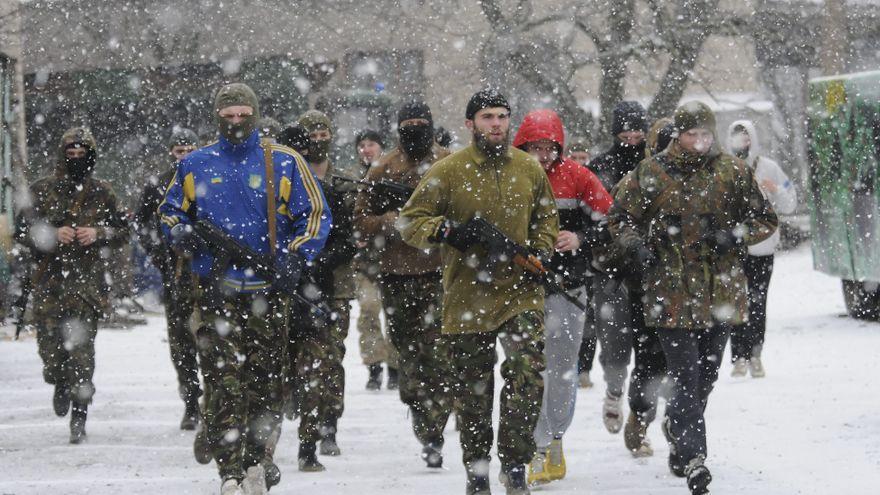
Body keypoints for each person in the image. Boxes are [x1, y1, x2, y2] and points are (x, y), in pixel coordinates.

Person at [159, 83, 330, 495]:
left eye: (242, 114)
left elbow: (315, 215)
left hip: (267, 292)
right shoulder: (196, 164)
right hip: (215, 292)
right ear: (216, 116)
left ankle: (258, 458)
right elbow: (168, 212)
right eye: (228, 115)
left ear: (255, 114)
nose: (235, 122)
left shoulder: (283, 162)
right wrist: (181, 232)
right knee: (221, 382)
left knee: (267, 382)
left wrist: (295, 255)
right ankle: (230, 471)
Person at [608, 101, 777, 494]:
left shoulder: (732, 172)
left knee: (706, 377)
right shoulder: (651, 173)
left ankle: (678, 429)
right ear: (678, 135)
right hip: (670, 291)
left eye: (705, 134)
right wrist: (636, 246)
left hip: (721, 290)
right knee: (685, 376)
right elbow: (619, 216)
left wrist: (732, 234)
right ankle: (694, 458)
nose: (700, 142)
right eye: (691, 135)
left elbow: (765, 219)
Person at [399, 89, 559, 495]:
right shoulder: (449, 170)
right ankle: (477, 468)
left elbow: (545, 217)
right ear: (470, 124)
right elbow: (410, 222)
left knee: (527, 375)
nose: (496, 124)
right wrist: (450, 232)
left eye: (503, 117)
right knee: (473, 391)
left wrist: (540, 250)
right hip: (467, 296)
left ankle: (516, 464)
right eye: (487, 117)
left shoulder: (528, 168)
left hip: (520, 292)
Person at [511, 109, 612, 486]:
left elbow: (611, 221)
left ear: (559, 146)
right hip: (519, 289)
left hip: (567, 289)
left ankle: (553, 439)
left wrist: (581, 239)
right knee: (526, 370)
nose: (541, 156)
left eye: (548, 148)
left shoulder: (579, 177)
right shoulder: (510, 176)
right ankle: (531, 446)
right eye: (533, 147)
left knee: (562, 368)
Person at [353, 101, 453, 468]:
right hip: (395, 275)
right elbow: (359, 220)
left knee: (438, 356)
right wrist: (388, 221)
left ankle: (434, 433)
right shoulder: (382, 168)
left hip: (439, 273)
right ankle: (419, 408)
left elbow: (463, 211)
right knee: (409, 357)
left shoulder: (448, 163)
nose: (415, 129)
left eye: (420, 123)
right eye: (407, 123)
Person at [15, 127, 129, 444]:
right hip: (49, 285)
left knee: (82, 356)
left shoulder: (103, 192)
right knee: (51, 356)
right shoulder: (41, 190)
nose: (76, 159)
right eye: (71, 154)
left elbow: (123, 231)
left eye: (82, 154)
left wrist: (98, 233)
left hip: (86, 288)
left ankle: (79, 416)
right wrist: (51, 235)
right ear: (62, 155)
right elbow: (21, 233)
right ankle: (59, 383)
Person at [296, 109, 356, 459]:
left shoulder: (343, 182)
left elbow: (351, 235)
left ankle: (328, 423)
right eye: (312, 137)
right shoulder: (291, 178)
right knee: (302, 359)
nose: (319, 143)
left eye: (324, 136)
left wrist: (327, 257)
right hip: (297, 283)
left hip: (336, 284)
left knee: (331, 356)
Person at [586, 100, 648, 434]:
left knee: (652, 349)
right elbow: (590, 214)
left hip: (652, 269)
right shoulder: (600, 167)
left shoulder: (655, 166)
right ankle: (613, 390)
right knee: (614, 345)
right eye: (625, 128)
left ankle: (641, 412)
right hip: (610, 270)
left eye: (637, 128)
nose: (632, 134)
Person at [134, 127, 201, 430]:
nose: (184, 156)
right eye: (179, 152)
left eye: (189, 150)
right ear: (171, 154)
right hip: (175, 276)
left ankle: (213, 401)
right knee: (181, 345)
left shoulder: (209, 180)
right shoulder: (159, 185)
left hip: (207, 274)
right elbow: (142, 224)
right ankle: (190, 401)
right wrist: (159, 255)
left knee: (212, 341)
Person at [621, 117, 675, 458]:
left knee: (689, 366)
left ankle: (679, 424)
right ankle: (640, 418)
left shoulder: (705, 178)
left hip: (694, 287)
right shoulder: (639, 179)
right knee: (651, 361)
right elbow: (619, 223)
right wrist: (638, 249)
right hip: (649, 286)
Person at [727, 119, 797, 378]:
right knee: (735, 302)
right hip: (733, 247)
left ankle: (755, 354)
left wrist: (776, 189)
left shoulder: (770, 168)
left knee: (757, 302)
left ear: (753, 139)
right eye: (736, 137)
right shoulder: (724, 167)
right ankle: (738, 358)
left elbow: (790, 201)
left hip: (763, 247)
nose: (741, 142)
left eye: (745, 137)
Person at [352, 129, 400, 390]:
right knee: (369, 311)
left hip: (393, 259)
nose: (366, 149)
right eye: (362, 145)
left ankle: (395, 366)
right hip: (365, 261)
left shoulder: (393, 175)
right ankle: (374, 366)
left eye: (371, 144)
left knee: (394, 315)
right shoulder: (352, 180)